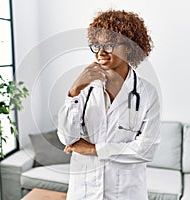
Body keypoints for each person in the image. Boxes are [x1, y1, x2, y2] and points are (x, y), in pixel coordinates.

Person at [57, 9, 160, 200]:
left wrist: (94, 149)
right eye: (96, 45)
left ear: (129, 46)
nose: (101, 52)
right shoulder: (84, 89)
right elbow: (66, 137)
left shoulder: (147, 94)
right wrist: (74, 91)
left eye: (110, 45)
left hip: (126, 193)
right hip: (85, 192)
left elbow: (146, 149)